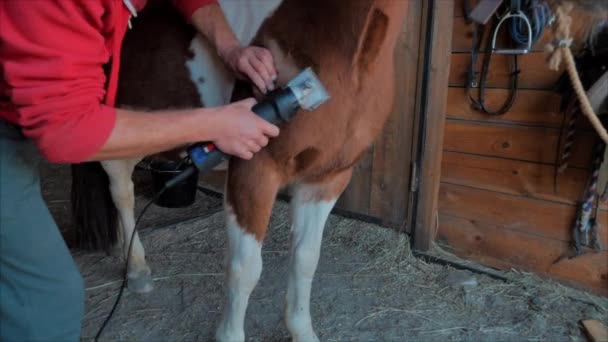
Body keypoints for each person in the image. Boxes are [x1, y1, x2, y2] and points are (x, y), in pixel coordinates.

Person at [0, 0, 279, 340]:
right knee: (46, 301)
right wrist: (215, 124)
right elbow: (66, 131)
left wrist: (231, 47)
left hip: (17, 112)